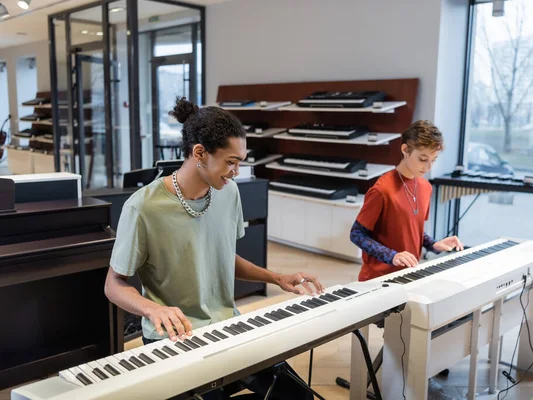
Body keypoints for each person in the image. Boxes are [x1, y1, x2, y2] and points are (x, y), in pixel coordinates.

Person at [105, 97, 323, 400]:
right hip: (173, 336)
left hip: (226, 325)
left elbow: (219, 256)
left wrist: (276, 278)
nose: (235, 171)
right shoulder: (142, 207)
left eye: (240, 163)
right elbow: (113, 284)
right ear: (199, 153)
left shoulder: (228, 192)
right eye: (230, 162)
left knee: (296, 395)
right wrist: (154, 309)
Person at [350, 120, 464, 282]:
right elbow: (357, 234)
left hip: (410, 274)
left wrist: (433, 244)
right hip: (378, 278)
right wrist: (392, 255)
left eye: (434, 159)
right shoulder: (381, 190)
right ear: (405, 150)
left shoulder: (426, 187)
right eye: (423, 159)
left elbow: (412, 228)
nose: (429, 166)